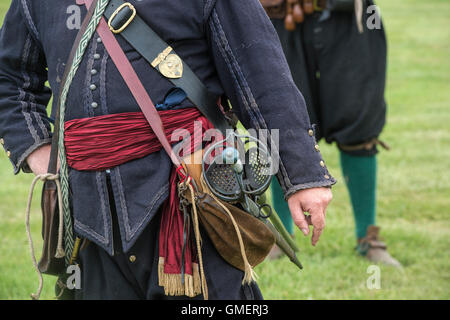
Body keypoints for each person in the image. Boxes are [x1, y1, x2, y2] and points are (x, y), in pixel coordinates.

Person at [0, 0, 334, 300]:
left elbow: (262, 77)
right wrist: (36, 147)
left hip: (190, 197)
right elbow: (9, 78)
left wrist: (302, 175)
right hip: (88, 213)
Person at [263, 0, 401, 266]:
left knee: (359, 126)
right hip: (280, 16)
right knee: (279, 123)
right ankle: (280, 237)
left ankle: (367, 237)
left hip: (350, 20)